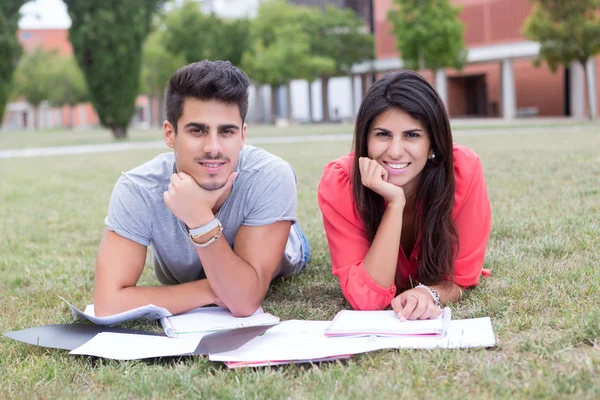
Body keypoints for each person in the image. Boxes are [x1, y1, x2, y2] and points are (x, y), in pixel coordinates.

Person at [94, 60, 309, 317]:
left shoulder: (270, 175)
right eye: (197, 131)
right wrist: (214, 289)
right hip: (218, 275)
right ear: (170, 134)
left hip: (282, 244)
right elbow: (108, 304)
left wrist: (199, 218)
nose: (213, 147)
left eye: (227, 131)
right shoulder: (138, 188)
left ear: (242, 136)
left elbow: (243, 302)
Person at [318, 70, 491, 320]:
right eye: (382, 134)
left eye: (412, 135)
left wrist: (429, 293)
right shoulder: (341, 181)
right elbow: (367, 300)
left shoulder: (463, 171)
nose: (395, 151)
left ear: (432, 142)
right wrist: (395, 203)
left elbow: (463, 275)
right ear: (365, 139)